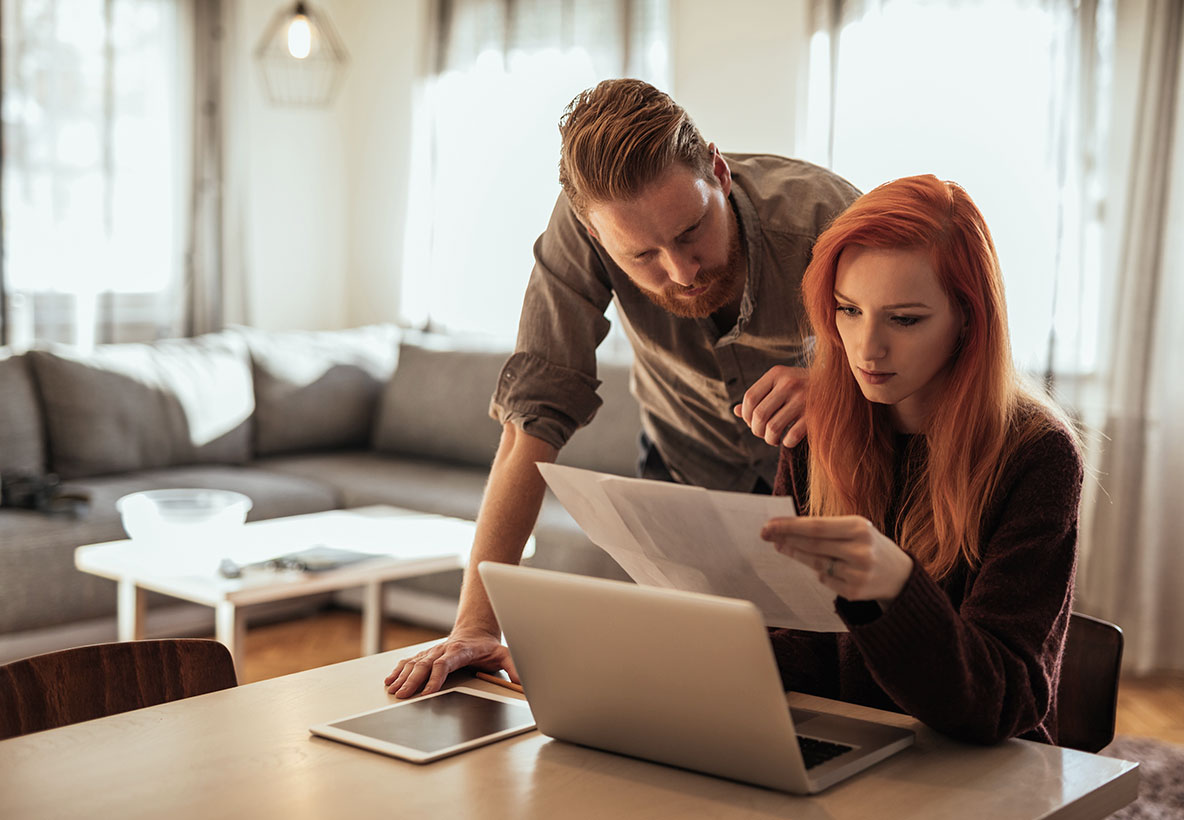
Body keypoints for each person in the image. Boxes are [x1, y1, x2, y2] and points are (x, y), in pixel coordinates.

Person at [385, 78, 859, 697]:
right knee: (701, 698)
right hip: (684, 476)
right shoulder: (582, 231)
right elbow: (533, 425)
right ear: (596, 235)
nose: (681, 271)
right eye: (643, 257)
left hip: (834, 487)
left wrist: (837, 393)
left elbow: (944, 380)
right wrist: (476, 623)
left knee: (845, 696)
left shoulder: (829, 220)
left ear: (717, 171)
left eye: (691, 231)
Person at [757, 174, 1083, 744]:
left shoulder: (1037, 457)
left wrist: (895, 590)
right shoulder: (818, 433)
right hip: (856, 751)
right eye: (848, 310)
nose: (866, 348)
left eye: (904, 319)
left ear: (968, 321)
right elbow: (809, 647)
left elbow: (1004, 701)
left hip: (978, 773)